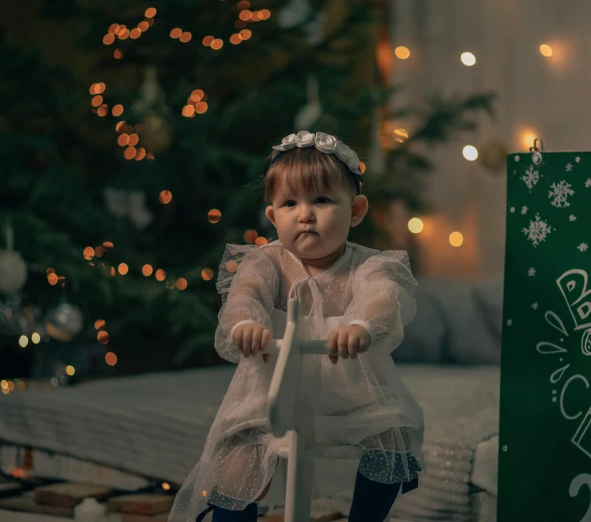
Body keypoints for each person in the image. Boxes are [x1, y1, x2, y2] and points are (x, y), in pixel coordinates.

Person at [169, 130, 424, 522]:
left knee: (394, 436)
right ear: (272, 216)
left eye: (321, 200)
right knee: (240, 460)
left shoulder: (369, 265)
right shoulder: (266, 262)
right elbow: (245, 296)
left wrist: (362, 326)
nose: (305, 213)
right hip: (272, 387)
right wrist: (247, 324)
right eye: (290, 203)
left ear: (355, 210)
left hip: (349, 389)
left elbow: (383, 298)